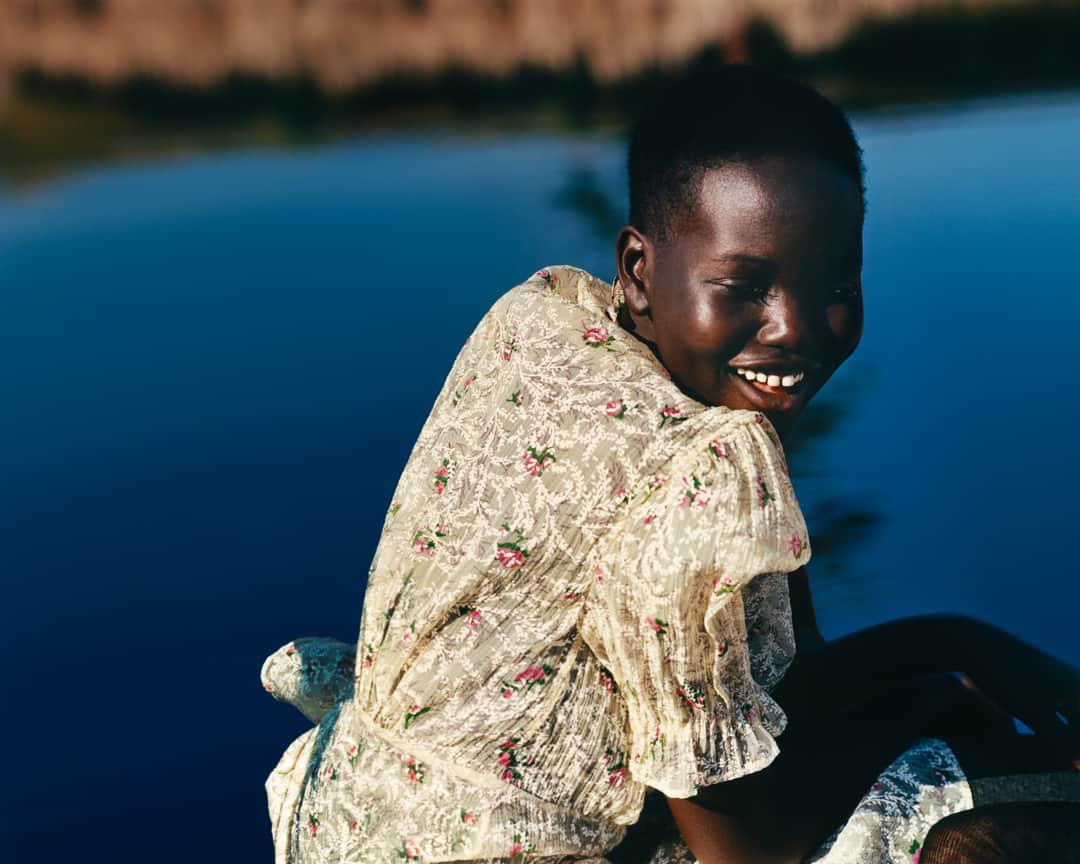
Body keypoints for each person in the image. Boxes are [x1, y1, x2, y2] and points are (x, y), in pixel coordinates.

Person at [261, 63, 1080, 864]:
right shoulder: (705, 465)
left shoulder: (547, 327)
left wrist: (960, 647)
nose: (794, 327)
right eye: (743, 285)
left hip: (348, 827)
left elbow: (784, 685)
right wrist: (931, 701)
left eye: (836, 282)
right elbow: (746, 850)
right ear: (638, 271)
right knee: (998, 822)